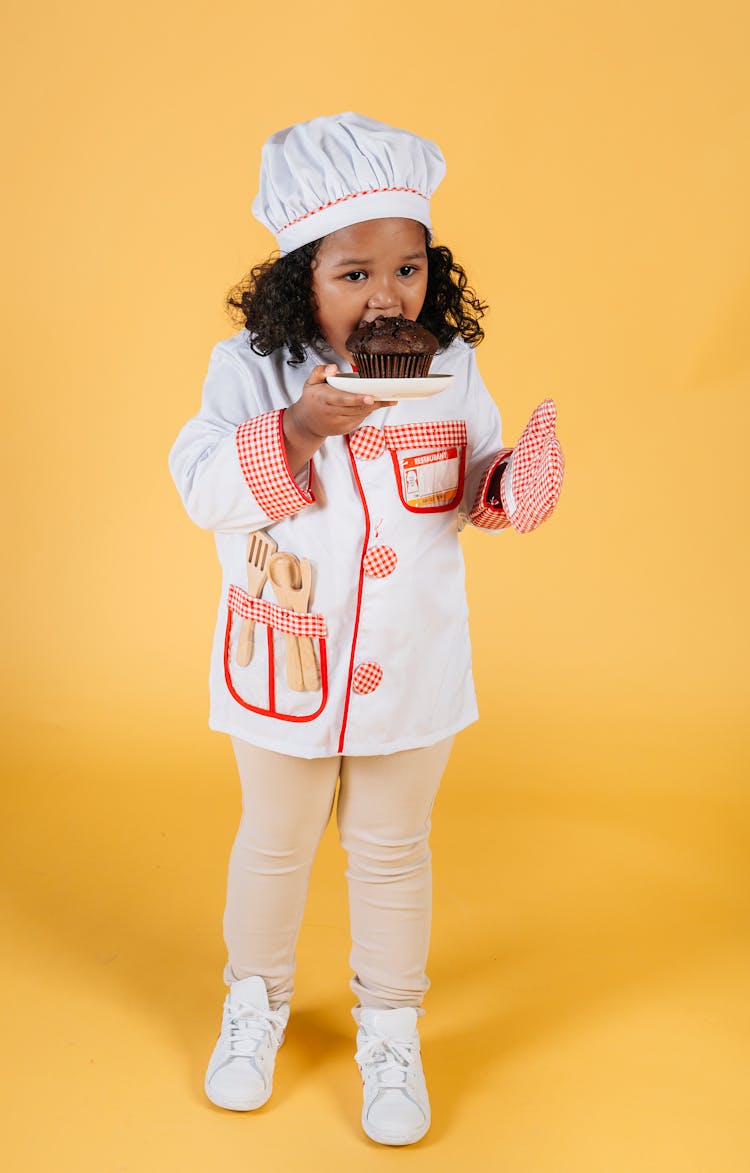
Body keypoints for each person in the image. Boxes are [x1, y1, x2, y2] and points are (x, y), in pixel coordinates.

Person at [169, 112, 564, 1146]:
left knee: (393, 850)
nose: (386, 295)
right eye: (353, 275)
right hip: (286, 662)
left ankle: (391, 1029)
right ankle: (250, 1004)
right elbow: (203, 486)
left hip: (414, 666)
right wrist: (297, 430)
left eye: (408, 268)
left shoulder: (453, 369)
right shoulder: (248, 372)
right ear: (302, 278)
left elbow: (469, 484)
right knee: (276, 844)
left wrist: (514, 485)